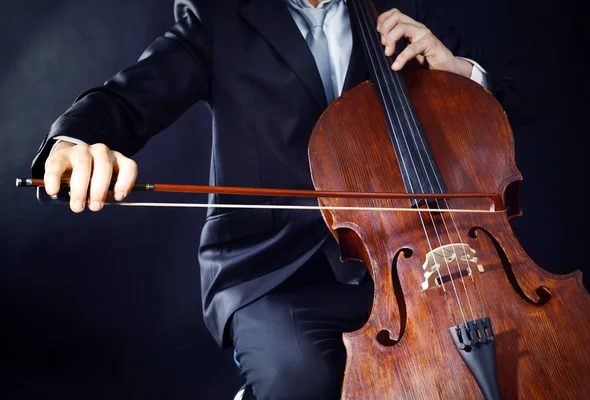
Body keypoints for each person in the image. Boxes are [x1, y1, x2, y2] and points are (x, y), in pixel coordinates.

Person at [30, 0, 521, 398]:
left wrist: (461, 72)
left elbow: (508, 108)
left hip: (410, 260)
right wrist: (73, 142)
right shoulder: (217, 15)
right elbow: (127, 99)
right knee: (303, 385)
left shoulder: (398, 6)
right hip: (275, 270)